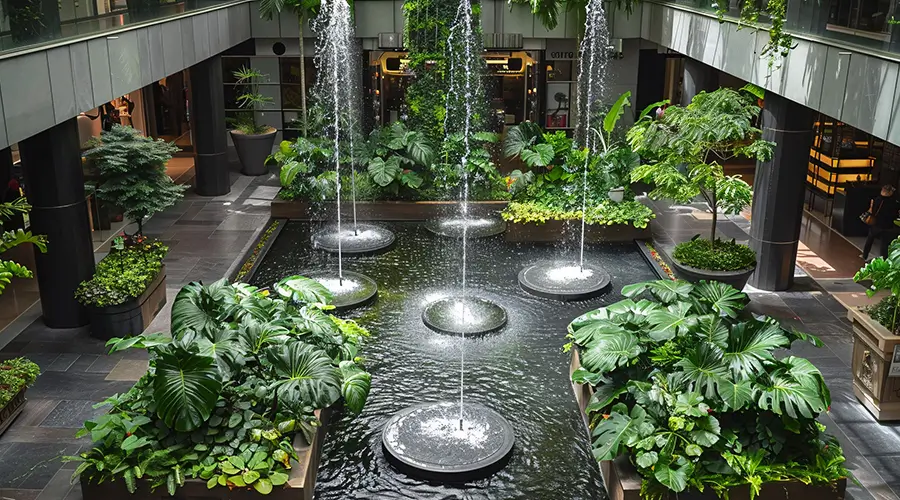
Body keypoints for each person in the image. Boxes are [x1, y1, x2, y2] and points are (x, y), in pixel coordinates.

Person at [863, 184, 899, 260]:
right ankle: (884, 259)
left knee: (870, 239)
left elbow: (873, 211)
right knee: (884, 244)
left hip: (876, 224)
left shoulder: (877, 200)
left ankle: (864, 255)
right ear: (889, 192)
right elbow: (895, 214)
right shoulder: (894, 202)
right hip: (887, 226)